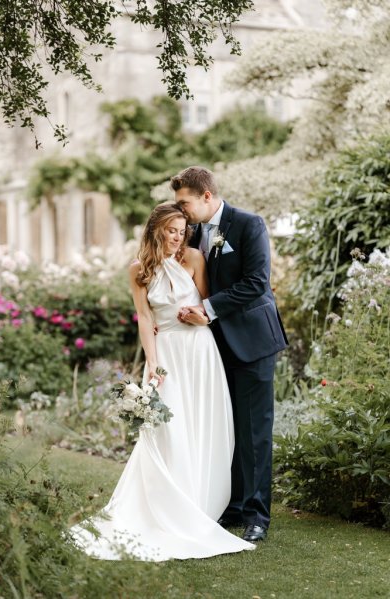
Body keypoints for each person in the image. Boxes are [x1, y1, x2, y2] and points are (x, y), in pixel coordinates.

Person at [69, 203, 255, 561]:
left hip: (199, 353)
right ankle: (167, 506)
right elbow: (143, 316)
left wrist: (203, 319)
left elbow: (206, 305)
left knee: (201, 424)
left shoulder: (196, 259)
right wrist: (153, 363)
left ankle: (199, 503)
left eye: (183, 231)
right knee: (168, 430)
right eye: (172, 230)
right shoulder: (138, 270)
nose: (178, 237)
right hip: (167, 354)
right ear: (155, 230)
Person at [172, 166, 288, 543]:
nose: (181, 210)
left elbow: (256, 283)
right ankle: (234, 506)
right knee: (227, 427)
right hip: (213, 346)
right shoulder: (194, 230)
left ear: (206, 196)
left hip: (253, 342)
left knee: (254, 431)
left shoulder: (248, 224)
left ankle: (257, 516)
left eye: (184, 202)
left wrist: (208, 309)